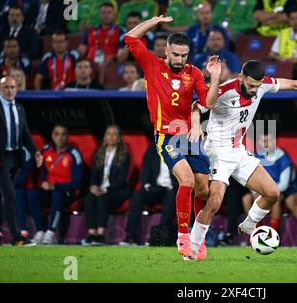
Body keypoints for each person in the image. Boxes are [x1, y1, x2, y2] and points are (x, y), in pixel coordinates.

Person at [189, 60, 297, 260]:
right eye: (251, 85)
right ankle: (193, 248)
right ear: (241, 78)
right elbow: (198, 105)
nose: (255, 90)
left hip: (238, 151)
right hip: (217, 152)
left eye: (258, 85)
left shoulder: (262, 85)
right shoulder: (225, 90)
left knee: (272, 193)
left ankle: (249, 225)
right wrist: (195, 125)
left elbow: (294, 84)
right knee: (214, 202)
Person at [125, 15, 221, 259]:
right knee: (186, 180)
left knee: (203, 190)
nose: (180, 59)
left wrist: (215, 77)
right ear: (167, 51)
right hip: (167, 136)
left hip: (190, 136)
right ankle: (183, 238)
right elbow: (130, 37)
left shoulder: (195, 73)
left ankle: (198, 239)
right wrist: (154, 21)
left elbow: (208, 103)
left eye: (184, 55)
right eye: (176, 54)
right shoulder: (152, 65)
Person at [0, 76, 43, 246]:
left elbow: (25, 134)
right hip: (0, 157)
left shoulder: (20, 109)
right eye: (6, 87)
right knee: (9, 195)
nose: (9, 90)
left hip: (14, 157)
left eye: (12, 87)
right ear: (0, 89)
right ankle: (17, 237)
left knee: (0, 195)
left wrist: (36, 152)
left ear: (17, 89)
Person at [27, 125, 84, 244]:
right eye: (57, 134)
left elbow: (77, 182)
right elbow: (42, 169)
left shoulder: (74, 154)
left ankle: (50, 233)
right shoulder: (46, 150)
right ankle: (39, 231)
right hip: (50, 191)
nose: (60, 138)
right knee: (33, 193)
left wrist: (56, 186)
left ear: (67, 137)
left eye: (63, 134)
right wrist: (43, 181)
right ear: (52, 136)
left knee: (58, 193)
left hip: (68, 193)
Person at [119, 144, 178, 246]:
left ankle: (159, 237)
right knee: (137, 196)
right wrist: (147, 185)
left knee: (171, 197)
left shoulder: (178, 150)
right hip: (154, 188)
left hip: (171, 189)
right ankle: (131, 237)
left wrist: (173, 186)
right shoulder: (153, 149)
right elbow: (145, 170)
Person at [82, 125, 131, 246]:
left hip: (116, 191)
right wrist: (93, 186)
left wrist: (103, 189)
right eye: (108, 133)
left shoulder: (125, 155)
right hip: (100, 190)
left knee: (102, 197)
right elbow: (94, 174)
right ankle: (91, 233)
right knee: (89, 197)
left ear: (119, 138)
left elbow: (121, 180)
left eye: (114, 134)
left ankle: (100, 235)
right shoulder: (99, 153)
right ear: (104, 137)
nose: (111, 137)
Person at [242, 132, 297, 232]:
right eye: (263, 141)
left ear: (275, 141)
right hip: (260, 191)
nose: (266, 144)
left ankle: (272, 232)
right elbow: (250, 179)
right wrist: (256, 192)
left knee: (274, 198)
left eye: (269, 141)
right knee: (246, 198)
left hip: (280, 192)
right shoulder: (255, 157)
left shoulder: (282, 157)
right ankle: (256, 231)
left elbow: (284, 185)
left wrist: (266, 193)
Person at [14, 147, 44, 244]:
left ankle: (23, 231)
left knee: (21, 193)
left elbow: (23, 176)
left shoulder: (27, 151)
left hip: (24, 187)